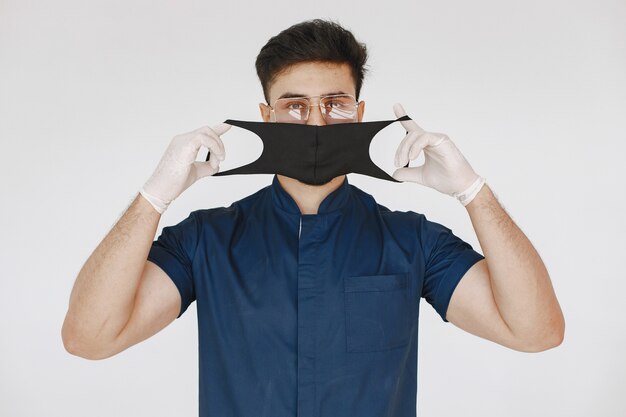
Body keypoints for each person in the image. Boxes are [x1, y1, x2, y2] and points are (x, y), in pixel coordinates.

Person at [62, 18, 565, 417]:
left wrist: (472, 192)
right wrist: (154, 197)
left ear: (358, 111)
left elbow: (536, 332)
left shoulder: (413, 242)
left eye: (335, 104)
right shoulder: (204, 242)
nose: (317, 121)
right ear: (267, 117)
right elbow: (89, 338)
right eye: (295, 106)